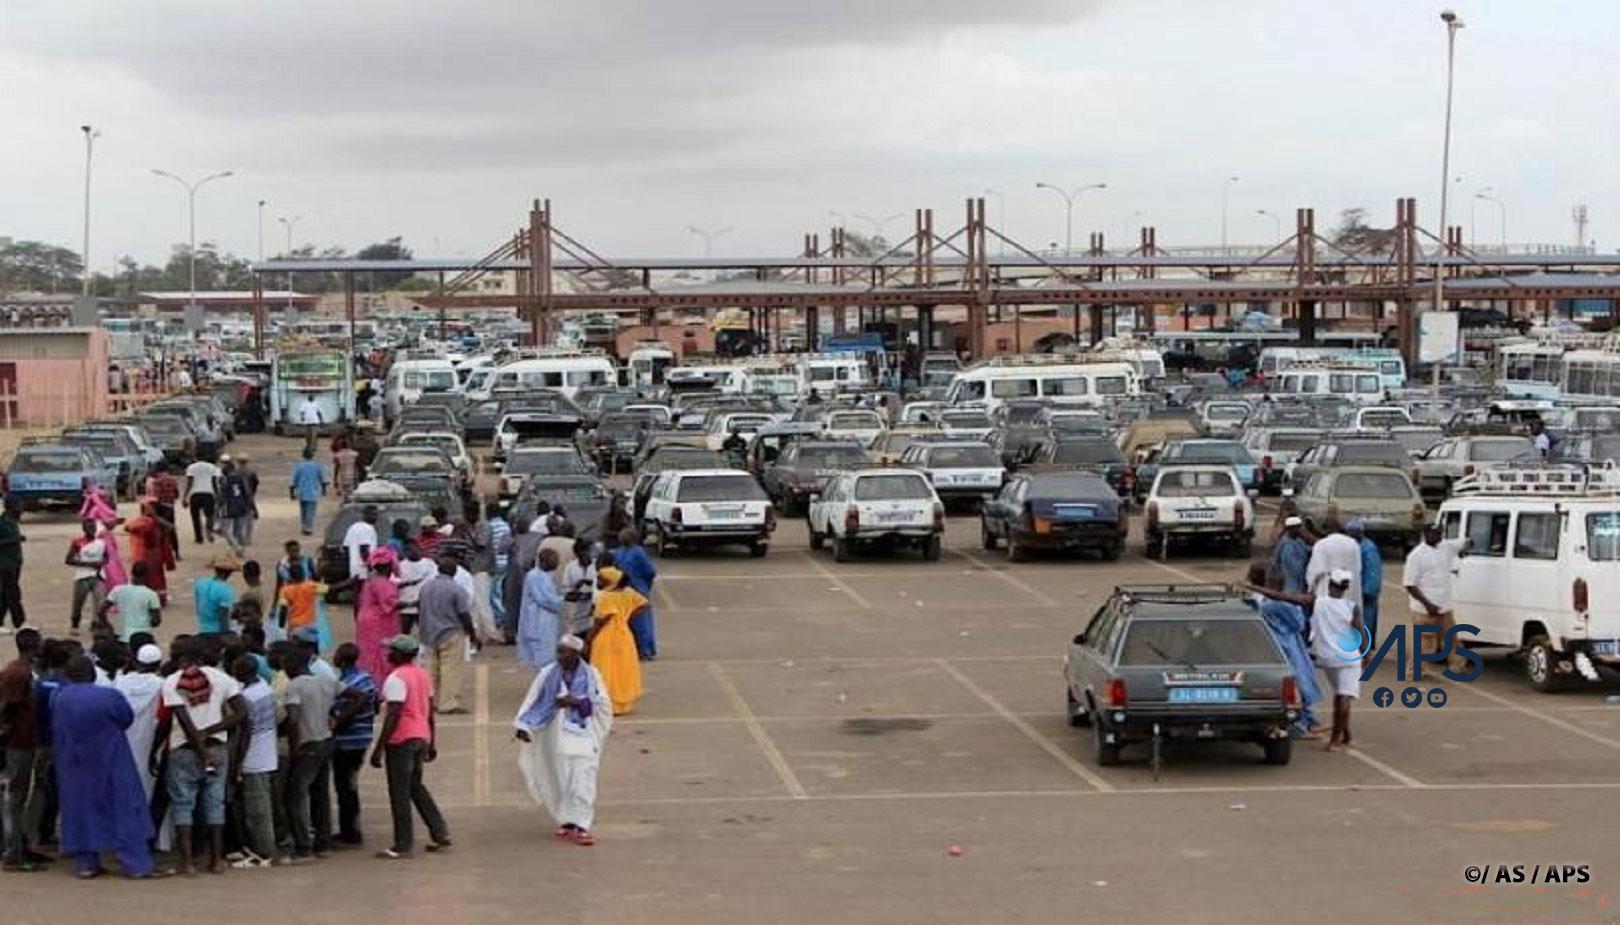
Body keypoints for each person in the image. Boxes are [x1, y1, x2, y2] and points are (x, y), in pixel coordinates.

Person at [51, 655, 162, 879]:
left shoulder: (59, 697)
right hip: (110, 759)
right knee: (124, 808)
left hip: (74, 762)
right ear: (92, 674)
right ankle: (136, 864)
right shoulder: (109, 696)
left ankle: (86, 864)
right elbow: (126, 718)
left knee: (80, 809)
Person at [513, 635, 612, 846]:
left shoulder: (592, 676)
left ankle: (582, 825)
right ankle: (567, 821)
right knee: (559, 781)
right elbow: (533, 701)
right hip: (556, 738)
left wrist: (575, 702)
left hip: (584, 737)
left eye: (564, 652)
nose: (559, 656)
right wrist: (524, 726)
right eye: (558, 651)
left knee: (583, 781)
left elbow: (602, 705)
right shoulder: (547, 674)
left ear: (576, 654)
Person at [157, 638, 245, 875]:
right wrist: (212, 731)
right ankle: (216, 860)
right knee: (215, 804)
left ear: (185, 658)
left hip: (184, 750)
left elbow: (184, 721)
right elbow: (241, 713)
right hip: (217, 748)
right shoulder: (223, 679)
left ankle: (187, 862)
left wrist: (200, 749)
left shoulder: (173, 681)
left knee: (183, 805)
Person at [369, 635, 451, 859]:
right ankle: (440, 832)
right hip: (421, 735)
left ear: (401, 655)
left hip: (401, 740)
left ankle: (403, 844)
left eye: (392, 651)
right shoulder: (422, 675)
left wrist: (379, 748)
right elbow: (429, 712)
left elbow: (393, 714)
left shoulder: (396, 679)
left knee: (399, 792)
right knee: (415, 786)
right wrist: (431, 742)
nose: (388, 654)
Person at [1240, 564, 1321, 739]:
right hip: (1288, 645)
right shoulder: (1282, 605)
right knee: (1299, 682)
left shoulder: (1260, 603)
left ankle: (1305, 721)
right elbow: (1299, 623)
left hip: (1276, 646)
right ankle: (1303, 722)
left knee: (1296, 683)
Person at [281, 646, 341, 861]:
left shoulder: (295, 685)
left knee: (295, 796)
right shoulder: (325, 681)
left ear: (293, 665)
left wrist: (294, 748)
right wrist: (338, 716)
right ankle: (323, 843)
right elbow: (357, 696)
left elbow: (293, 719)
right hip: (326, 740)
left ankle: (303, 847)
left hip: (308, 745)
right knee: (320, 793)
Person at [1, 628, 49, 871]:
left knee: (20, 795)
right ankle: (12, 853)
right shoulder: (18, 673)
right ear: (34, 647)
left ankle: (19, 846)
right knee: (15, 797)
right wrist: (4, 732)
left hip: (24, 740)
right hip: (17, 743)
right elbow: (6, 705)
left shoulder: (22, 670)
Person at [228, 654, 279, 868]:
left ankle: (264, 852)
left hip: (255, 757)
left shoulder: (247, 698)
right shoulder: (265, 688)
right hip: (267, 753)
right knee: (261, 805)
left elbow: (246, 732)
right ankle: (259, 848)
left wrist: (238, 762)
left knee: (257, 810)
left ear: (241, 672)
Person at [1403, 524, 1470, 676]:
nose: (1436, 536)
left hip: (1444, 605)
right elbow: (1409, 584)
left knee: (1452, 638)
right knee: (1425, 642)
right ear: (1425, 534)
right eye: (1432, 533)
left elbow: (1464, 542)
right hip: (1424, 609)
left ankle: (1458, 666)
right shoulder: (1416, 556)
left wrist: (1465, 549)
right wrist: (1428, 605)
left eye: (1439, 533)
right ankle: (1415, 671)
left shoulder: (1446, 547)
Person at [330, 642, 378, 847]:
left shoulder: (347, 682)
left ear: (341, 660)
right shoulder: (366, 678)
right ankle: (350, 830)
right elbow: (375, 705)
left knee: (345, 788)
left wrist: (337, 722)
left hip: (347, 741)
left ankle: (350, 833)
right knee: (349, 786)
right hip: (362, 738)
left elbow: (346, 710)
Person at [416, 557, 479, 714]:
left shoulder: (426, 588)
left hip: (429, 632)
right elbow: (464, 614)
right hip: (451, 632)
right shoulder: (456, 589)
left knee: (430, 669)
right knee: (451, 669)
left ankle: (430, 701)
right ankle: (447, 704)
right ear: (454, 571)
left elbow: (419, 607)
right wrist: (472, 635)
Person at [113, 643, 165, 813]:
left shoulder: (120, 682)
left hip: (122, 740)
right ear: (159, 664)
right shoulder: (162, 685)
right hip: (149, 740)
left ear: (136, 661)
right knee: (146, 785)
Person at [589, 567, 645, 715]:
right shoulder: (628, 593)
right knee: (622, 669)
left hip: (605, 637)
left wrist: (588, 640)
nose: (598, 582)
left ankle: (607, 703)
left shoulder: (605, 597)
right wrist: (626, 616)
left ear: (611, 581)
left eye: (601, 579)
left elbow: (599, 622)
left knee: (604, 668)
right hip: (624, 636)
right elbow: (644, 604)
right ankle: (623, 702)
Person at [612, 527, 659, 660]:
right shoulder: (638, 552)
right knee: (641, 622)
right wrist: (645, 585)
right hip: (637, 589)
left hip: (627, 590)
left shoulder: (619, 553)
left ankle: (637, 649)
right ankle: (644, 650)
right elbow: (650, 572)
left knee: (630, 621)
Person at [355, 551, 401, 681]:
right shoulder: (382, 583)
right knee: (380, 651)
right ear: (388, 566)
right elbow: (391, 603)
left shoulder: (371, 581)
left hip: (366, 620)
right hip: (378, 622)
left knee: (367, 651)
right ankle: (379, 681)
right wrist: (415, 603)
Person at [518, 548, 564, 672]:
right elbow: (543, 599)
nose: (556, 564)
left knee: (550, 655)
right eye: (554, 561)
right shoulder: (534, 576)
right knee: (542, 659)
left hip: (547, 622)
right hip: (537, 622)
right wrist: (564, 599)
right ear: (543, 561)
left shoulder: (547, 576)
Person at [123, 500, 176, 606]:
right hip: (150, 555)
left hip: (147, 555)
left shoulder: (149, 521)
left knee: (148, 578)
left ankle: (150, 599)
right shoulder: (151, 522)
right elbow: (128, 528)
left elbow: (128, 527)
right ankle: (156, 599)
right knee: (153, 579)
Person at [461, 501, 500, 642]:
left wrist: (468, 532)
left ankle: (491, 632)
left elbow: (480, 544)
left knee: (482, 602)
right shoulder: (474, 526)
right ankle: (477, 632)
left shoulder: (484, 526)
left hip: (482, 568)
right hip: (473, 568)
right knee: (473, 602)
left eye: (468, 514)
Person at [275, 560, 330, 652]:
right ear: (303, 574)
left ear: (290, 576)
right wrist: (349, 582)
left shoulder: (285, 590)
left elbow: (283, 610)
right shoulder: (310, 586)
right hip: (310, 626)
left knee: (295, 653)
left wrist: (281, 626)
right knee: (314, 653)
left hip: (295, 628)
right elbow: (331, 588)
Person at [1306, 522, 1363, 609]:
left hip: (1326, 593)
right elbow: (1358, 569)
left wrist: (1310, 590)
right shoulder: (1354, 544)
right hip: (1349, 591)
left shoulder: (1321, 544)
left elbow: (1315, 572)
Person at [66, 519, 108, 635]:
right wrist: (89, 564)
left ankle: (96, 624)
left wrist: (102, 562)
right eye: (89, 527)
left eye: (93, 527)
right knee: (78, 603)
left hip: (98, 576)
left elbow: (106, 557)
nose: (92, 530)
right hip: (82, 576)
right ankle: (75, 625)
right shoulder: (77, 542)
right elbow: (69, 560)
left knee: (101, 602)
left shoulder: (101, 543)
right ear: (84, 529)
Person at [103, 561, 162, 642]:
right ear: (147, 575)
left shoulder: (117, 590)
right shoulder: (151, 594)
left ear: (132, 573)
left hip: (122, 635)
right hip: (143, 636)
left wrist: (107, 624)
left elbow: (102, 609)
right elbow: (156, 621)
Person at [1346, 520, 1383, 651]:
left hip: (1366, 592)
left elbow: (1373, 571)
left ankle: (1364, 648)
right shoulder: (1354, 546)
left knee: (1365, 621)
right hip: (1357, 590)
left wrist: (1367, 590)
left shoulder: (1368, 548)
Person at [395, 542, 437, 635]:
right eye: (407, 550)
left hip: (423, 606)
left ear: (419, 549)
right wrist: (408, 583)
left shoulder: (430, 564)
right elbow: (394, 584)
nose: (411, 552)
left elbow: (434, 582)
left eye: (413, 549)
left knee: (426, 633)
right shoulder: (400, 566)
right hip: (405, 607)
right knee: (404, 634)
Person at [194, 554, 239, 635]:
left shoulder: (200, 583)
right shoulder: (226, 590)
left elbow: (198, 609)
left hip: (202, 628)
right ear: (229, 573)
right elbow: (223, 616)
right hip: (216, 631)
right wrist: (225, 635)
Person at [183, 455, 223, 545]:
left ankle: (199, 538)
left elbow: (189, 483)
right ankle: (209, 532)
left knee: (195, 517)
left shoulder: (191, 467)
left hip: (195, 494)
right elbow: (214, 483)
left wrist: (184, 497)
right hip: (208, 493)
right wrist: (218, 495)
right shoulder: (212, 467)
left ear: (196, 457)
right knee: (210, 515)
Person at [145, 464, 182, 561]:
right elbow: (176, 494)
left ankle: (162, 553)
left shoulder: (156, 481)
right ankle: (176, 553)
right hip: (169, 506)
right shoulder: (172, 480)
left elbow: (156, 496)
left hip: (159, 506)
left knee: (160, 529)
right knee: (171, 529)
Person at [562, 538, 597, 639]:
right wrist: (576, 588)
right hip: (576, 613)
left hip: (593, 611)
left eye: (586, 554)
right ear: (576, 555)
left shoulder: (597, 565)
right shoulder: (571, 566)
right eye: (581, 556)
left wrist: (590, 585)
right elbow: (566, 587)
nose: (584, 558)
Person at [290, 447, 328, 537]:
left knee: (303, 510)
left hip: (302, 492)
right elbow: (323, 479)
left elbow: (293, 480)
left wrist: (292, 493)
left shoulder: (299, 466)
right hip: (313, 491)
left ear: (303, 455)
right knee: (311, 510)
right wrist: (324, 490)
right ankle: (308, 528)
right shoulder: (318, 466)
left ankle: (304, 527)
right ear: (312, 455)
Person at [341, 505, 380, 595]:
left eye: (376, 514)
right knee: (365, 596)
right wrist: (371, 568)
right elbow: (364, 550)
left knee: (358, 595)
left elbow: (345, 548)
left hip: (354, 569)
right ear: (364, 515)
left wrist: (353, 562)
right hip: (364, 570)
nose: (375, 517)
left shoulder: (353, 527)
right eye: (373, 514)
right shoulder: (367, 528)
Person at [0, 497, 26, 632]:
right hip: (5, 564)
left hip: (15, 562)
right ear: (11, 507)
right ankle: (20, 624)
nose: (22, 509)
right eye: (19, 506)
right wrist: (14, 539)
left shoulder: (13, 521)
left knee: (5, 595)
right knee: (13, 594)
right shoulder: (2, 523)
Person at [1269, 516, 1311, 595]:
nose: (1300, 530)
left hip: (1298, 582)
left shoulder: (1298, 540)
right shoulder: (1287, 546)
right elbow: (1294, 568)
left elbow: (1305, 549)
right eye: (1298, 527)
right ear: (1291, 529)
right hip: (1291, 584)